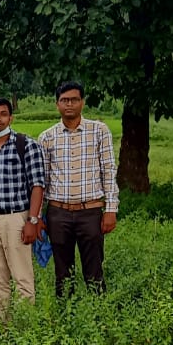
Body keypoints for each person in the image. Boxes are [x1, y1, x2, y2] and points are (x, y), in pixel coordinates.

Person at [38, 81, 119, 297]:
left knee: (94, 270)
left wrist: (111, 209)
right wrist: (37, 217)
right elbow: (41, 181)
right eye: (64, 100)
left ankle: (99, 316)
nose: (70, 105)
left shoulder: (99, 131)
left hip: (90, 212)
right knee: (63, 273)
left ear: (82, 102)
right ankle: (66, 318)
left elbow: (109, 171)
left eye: (74, 100)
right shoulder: (47, 137)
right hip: (58, 212)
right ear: (57, 104)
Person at [0, 97, 45, 326]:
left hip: (16, 217)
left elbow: (37, 185)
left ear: (10, 118)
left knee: (22, 277)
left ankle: (25, 328)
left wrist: (32, 220)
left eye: (3, 114)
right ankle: (5, 327)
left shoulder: (26, 145)